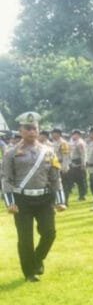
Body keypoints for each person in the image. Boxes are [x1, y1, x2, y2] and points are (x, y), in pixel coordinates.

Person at [2, 111, 67, 282]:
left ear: (38, 130)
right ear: (21, 130)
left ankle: (37, 259)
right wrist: (10, 202)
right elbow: (6, 179)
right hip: (22, 200)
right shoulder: (11, 153)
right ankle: (29, 272)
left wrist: (60, 200)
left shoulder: (48, 151)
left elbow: (55, 177)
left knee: (50, 233)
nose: (32, 131)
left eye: (34, 128)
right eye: (28, 128)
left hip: (44, 200)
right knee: (25, 238)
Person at [68, 129, 87, 202]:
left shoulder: (80, 143)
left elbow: (83, 154)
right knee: (72, 179)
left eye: (75, 134)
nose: (73, 136)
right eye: (73, 134)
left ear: (78, 135)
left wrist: (83, 164)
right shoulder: (72, 142)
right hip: (73, 163)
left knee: (81, 181)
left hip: (78, 163)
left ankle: (82, 195)